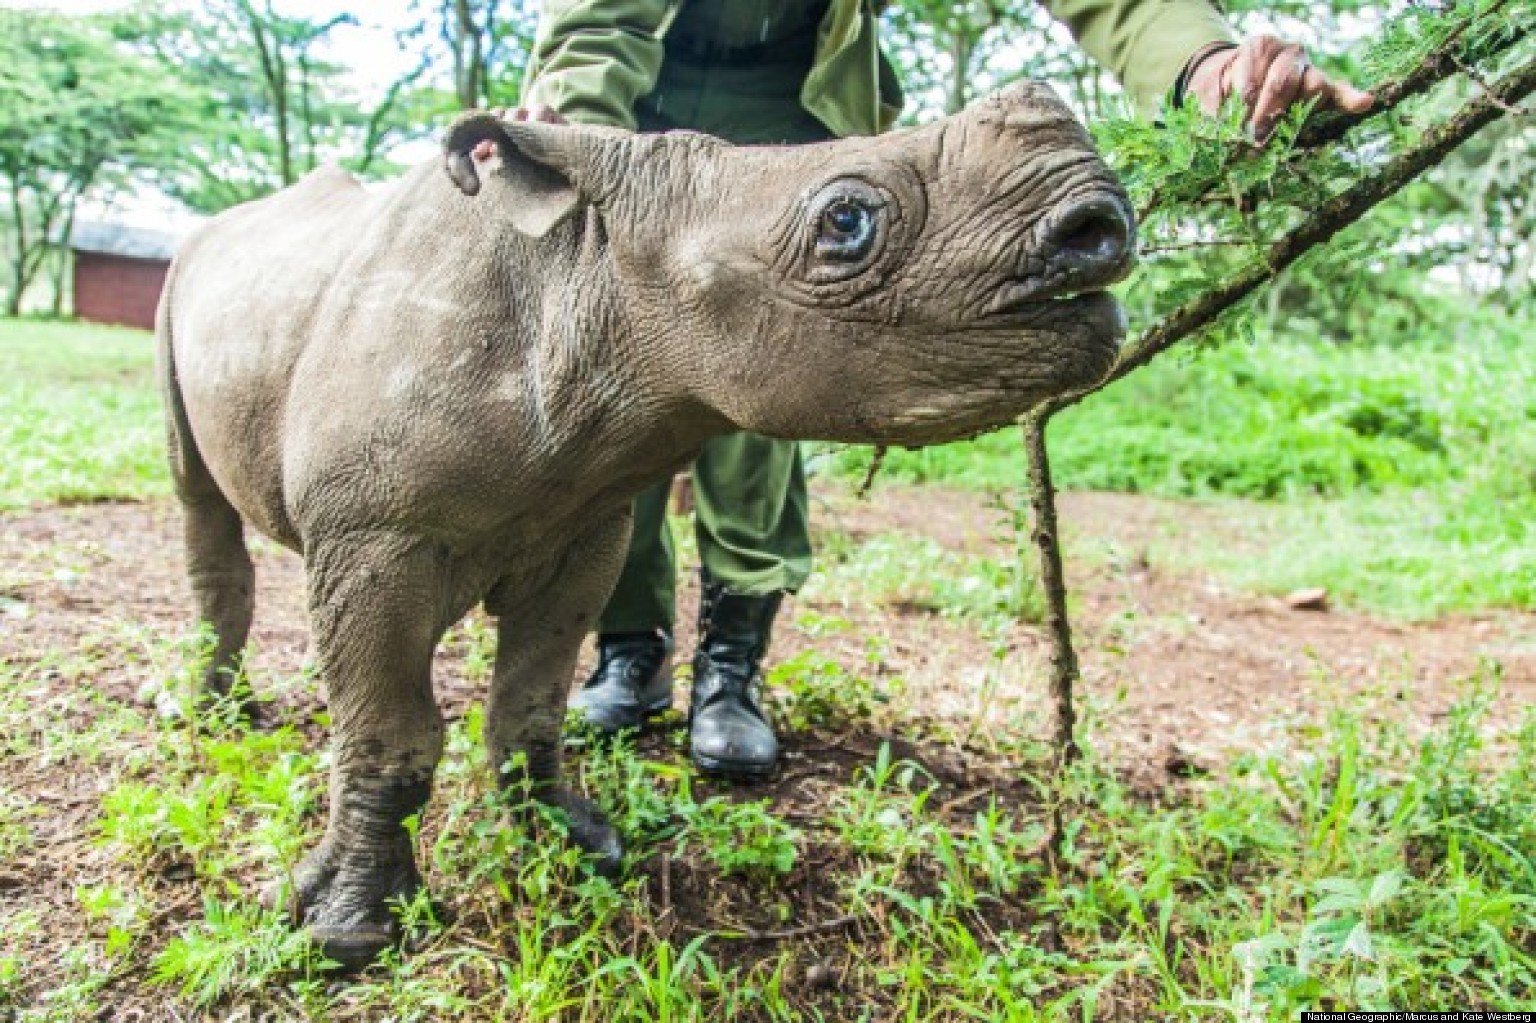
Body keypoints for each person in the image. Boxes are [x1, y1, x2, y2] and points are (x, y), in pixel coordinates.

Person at [511, 0, 1372, 778]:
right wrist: (573, 124)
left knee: (770, 384)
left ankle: (731, 669)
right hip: (636, 118)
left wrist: (1198, 65)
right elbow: (599, 19)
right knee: (618, 404)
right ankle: (630, 650)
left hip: (799, 121)